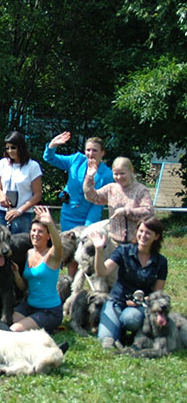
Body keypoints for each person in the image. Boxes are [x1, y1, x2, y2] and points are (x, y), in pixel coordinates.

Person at [90, 217, 167, 348]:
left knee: (130, 319)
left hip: (139, 306)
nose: (143, 235)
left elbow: (157, 294)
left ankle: (132, 331)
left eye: (148, 233)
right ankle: (119, 333)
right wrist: (99, 250)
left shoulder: (161, 262)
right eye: (141, 231)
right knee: (105, 341)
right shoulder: (123, 251)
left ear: (156, 236)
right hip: (117, 300)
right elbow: (102, 272)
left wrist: (138, 301)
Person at [43, 132, 113, 231]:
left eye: (95, 150)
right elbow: (49, 158)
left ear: (102, 153)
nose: (90, 153)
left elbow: (98, 204)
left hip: (88, 218)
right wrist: (52, 145)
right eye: (88, 150)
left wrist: (88, 226)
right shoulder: (76, 160)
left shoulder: (107, 174)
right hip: (67, 215)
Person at [10, 206, 63, 333]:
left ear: (48, 236)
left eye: (40, 231)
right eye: (33, 230)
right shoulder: (29, 253)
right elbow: (25, 287)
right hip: (29, 306)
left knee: (15, 329)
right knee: (9, 321)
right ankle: (38, 327)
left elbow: (59, 245)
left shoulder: (51, 256)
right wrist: (17, 274)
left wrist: (50, 223)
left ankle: (47, 326)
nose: (35, 234)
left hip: (49, 311)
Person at [83, 156, 153, 245]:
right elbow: (92, 197)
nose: (119, 177)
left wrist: (126, 211)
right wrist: (89, 177)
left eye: (122, 173)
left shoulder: (141, 190)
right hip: (114, 242)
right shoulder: (111, 188)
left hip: (136, 242)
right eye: (116, 174)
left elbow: (149, 212)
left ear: (131, 171)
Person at [0, 130, 42, 234]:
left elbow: (37, 195)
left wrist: (19, 210)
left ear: (21, 147)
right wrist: (1, 195)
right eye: (7, 148)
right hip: (2, 211)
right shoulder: (2, 163)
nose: (10, 151)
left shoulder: (33, 166)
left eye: (13, 147)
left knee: (19, 246)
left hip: (23, 214)